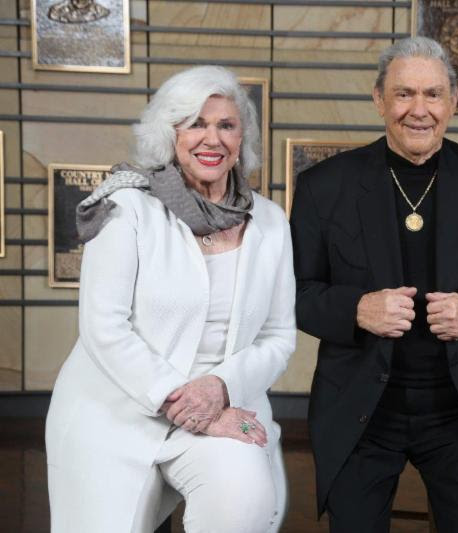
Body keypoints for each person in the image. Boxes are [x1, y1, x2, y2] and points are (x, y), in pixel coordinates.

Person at [290, 36, 458, 533]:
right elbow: (294, 295)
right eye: (404, 93)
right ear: (379, 99)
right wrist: (354, 310)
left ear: (452, 102)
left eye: (433, 94)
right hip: (360, 410)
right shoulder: (325, 185)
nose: (419, 110)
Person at [45, 65, 296, 533]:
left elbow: (278, 336)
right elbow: (105, 326)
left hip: (223, 408)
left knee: (244, 504)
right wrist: (177, 398)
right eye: (195, 123)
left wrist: (217, 389)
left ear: (243, 138)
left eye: (226, 125)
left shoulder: (270, 221)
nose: (212, 138)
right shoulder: (128, 209)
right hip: (114, 412)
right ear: (170, 133)